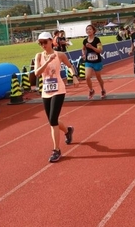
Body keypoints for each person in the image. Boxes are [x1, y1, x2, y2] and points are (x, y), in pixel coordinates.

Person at [34, 31, 78, 163]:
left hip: (58, 90)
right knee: (52, 120)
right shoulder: (39, 56)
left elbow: (70, 66)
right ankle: (68, 130)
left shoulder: (60, 55)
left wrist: (74, 76)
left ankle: (56, 150)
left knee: (53, 120)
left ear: (51, 41)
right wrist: (47, 61)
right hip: (46, 91)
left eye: (45, 42)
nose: (43, 45)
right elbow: (37, 73)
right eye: (40, 43)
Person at [82, 24, 106, 100]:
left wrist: (91, 47)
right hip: (88, 61)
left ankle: (102, 89)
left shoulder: (97, 40)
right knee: (87, 77)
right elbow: (83, 49)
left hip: (97, 61)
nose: (88, 31)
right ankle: (91, 90)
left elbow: (100, 51)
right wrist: (83, 54)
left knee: (98, 77)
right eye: (87, 29)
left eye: (90, 29)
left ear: (93, 31)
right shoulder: (85, 40)